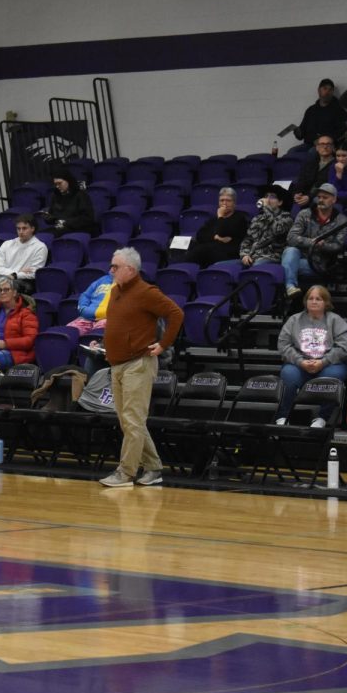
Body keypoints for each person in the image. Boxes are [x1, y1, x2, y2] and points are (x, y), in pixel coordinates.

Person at [98, 248, 183, 488]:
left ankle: (125, 473)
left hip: (139, 364)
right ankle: (154, 468)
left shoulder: (146, 292)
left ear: (131, 270)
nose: (111, 270)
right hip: (117, 364)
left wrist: (163, 344)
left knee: (133, 421)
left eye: (115, 266)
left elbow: (176, 313)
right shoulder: (115, 292)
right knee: (129, 422)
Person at [272, 285, 347, 428]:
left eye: (318, 299)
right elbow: (283, 345)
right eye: (310, 298)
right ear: (305, 301)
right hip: (300, 364)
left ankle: (322, 418)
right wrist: (300, 361)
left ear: (326, 303)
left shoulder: (335, 320)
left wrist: (323, 362)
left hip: (329, 364)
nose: (314, 301)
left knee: (332, 377)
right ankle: (283, 416)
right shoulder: (294, 320)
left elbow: (346, 346)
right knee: (288, 375)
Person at [0, 277, 37, 404]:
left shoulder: (26, 313)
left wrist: (5, 344)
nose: (2, 292)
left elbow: (30, 340)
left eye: (6, 289)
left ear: (14, 292)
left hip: (14, 353)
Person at [282, 183, 347, 298]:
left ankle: (289, 289)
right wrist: (313, 242)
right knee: (291, 250)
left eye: (325, 197)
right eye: (319, 197)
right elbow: (291, 238)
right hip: (299, 256)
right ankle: (290, 287)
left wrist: (323, 246)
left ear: (334, 200)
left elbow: (338, 246)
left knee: (287, 266)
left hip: (319, 263)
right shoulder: (304, 214)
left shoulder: (341, 220)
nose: (320, 200)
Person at [184, 187, 248, 266]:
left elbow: (222, 231)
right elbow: (200, 235)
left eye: (228, 200)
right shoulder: (214, 219)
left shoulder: (240, 218)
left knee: (202, 251)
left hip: (230, 252)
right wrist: (216, 237)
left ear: (234, 203)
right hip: (212, 250)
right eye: (222, 200)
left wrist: (221, 217)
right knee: (191, 248)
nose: (224, 203)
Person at [0, 213, 47, 293]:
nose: (21, 232)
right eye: (18, 229)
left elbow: (34, 273)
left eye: (24, 228)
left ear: (32, 229)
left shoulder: (40, 247)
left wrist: (15, 276)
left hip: (21, 283)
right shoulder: (7, 244)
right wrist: (17, 272)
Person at [240, 184, 294, 266]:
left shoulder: (287, 218)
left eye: (272, 197)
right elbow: (247, 240)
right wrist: (244, 255)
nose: (267, 199)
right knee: (222, 266)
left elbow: (277, 230)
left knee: (257, 266)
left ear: (280, 202)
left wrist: (266, 209)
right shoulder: (257, 219)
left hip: (272, 257)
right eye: (266, 196)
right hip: (252, 256)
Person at [43, 166, 99, 237]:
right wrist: (48, 218)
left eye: (59, 183)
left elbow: (87, 218)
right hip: (61, 228)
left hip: (78, 229)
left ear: (68, 181)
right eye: (55, 184)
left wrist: (66, 222)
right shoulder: (56, 196)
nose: (57, 186)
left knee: (53, 236)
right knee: (39, 235)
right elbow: (53, 215)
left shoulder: (80, 195)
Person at [294, 78, 347, 149]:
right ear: (319, 90)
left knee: (311, 155)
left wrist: (324, 141)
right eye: (325, 88)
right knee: (292, 152)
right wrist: (298, 132)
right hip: (309, 144)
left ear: (333, 92)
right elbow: (302, 132)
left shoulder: (339, 111)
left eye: (330, 90)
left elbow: (345, 132)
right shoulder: (311, 110)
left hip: (327, 146)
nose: (327, 92)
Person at [291, 136, 336, 208]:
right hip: (305, 198)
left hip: (321, 199)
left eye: (328, 144)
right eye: (322, 144)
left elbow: (329, 186)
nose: (325, 147)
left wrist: (309, 197)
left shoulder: (336, 165)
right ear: (317, 148)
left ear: (333, 147)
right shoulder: (310, 163)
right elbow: (301, 181)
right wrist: (297, 194)